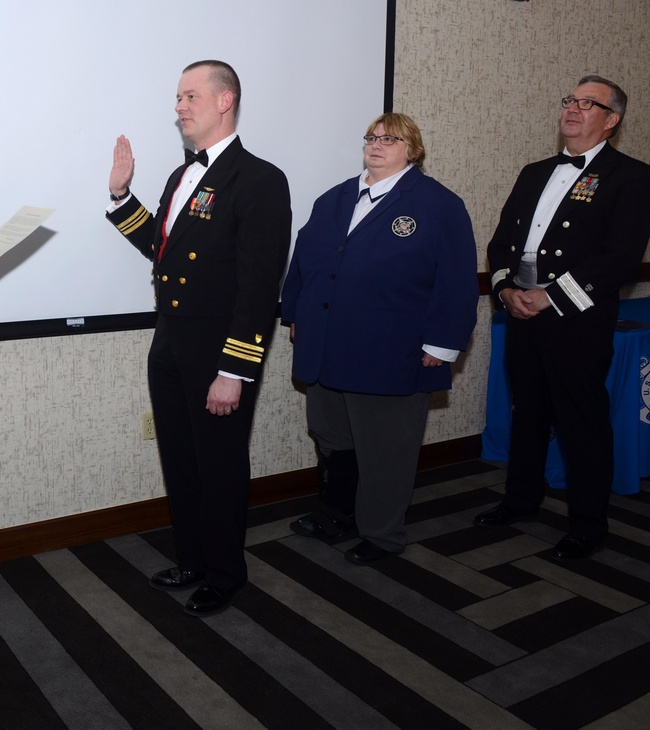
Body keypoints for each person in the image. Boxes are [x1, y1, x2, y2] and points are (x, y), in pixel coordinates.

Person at [106, 60, 292, 616]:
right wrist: (121, 198)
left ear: (224, 100)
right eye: (178, 98)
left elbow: (260, 288)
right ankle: (191, 558)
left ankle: (225, 573)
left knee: (220, 464)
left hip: (219, 348)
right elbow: (165, 254)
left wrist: (235, 371)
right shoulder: (180, 176)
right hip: (170, 343)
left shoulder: (260, 180)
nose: (179, 108)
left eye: (189, 96)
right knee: (181, 459)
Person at [475, 75, 650, 561]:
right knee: (527, 414)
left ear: (612, 120)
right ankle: (520, 501)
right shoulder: (534, 171)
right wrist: (506, 290)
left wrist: (551, 297)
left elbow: (621, 257)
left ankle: (587, 524)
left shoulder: (632, 176)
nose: (573, 109)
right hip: (521, 312)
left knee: (582, 423)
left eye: (588, 103)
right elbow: (500, 243)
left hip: (576, 318)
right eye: (570, 100)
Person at [282, 113, 478, 563]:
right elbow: (304, 259)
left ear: (413, 150)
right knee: (332, 437)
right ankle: (337, 515)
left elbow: (456, 281)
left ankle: (381, 534)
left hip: (392, 350)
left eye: (391, 139)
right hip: (326, 345)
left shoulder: (438, 205)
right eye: (372, 136)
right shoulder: (334, 198)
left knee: (385, 450)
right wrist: (295, 312)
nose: (378, 143)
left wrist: (442, 343)